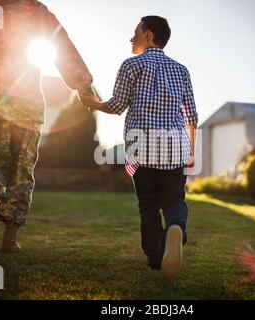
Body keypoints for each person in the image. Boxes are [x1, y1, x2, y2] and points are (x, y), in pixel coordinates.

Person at [0, 0, 95, 253]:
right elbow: (62, 45)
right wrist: (83, 86)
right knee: (21, 173)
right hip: (26, 104)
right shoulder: (34, 9)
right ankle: (9, 240)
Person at [81, 16, 198, 279]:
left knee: (148, 204)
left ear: (148, 34)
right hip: (175, 148)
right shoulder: (181, 70)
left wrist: (93, 104)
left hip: (141, 146)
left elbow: (117, 105)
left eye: (135, 33)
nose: (131, 38)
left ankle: (156, 260)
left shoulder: (132, 65)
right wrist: (191, 151)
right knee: (174, 200)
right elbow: (192, 116)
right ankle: (176, 228)